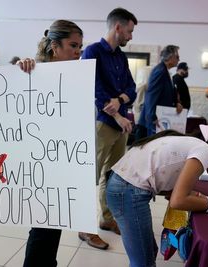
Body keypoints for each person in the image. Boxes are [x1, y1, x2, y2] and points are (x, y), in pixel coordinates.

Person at [106, 122, 208, 267]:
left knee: (148, 254)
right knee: (143, 261)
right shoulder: (206, 151)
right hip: (126, 191)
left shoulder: (197, 146)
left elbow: (170, 186)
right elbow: (177, 201)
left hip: (124, 187)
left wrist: (191, 195)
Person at [18, 19, 83, 267]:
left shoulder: (75, 77)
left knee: (53, 223)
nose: (78, 51)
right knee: (43, 225)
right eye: (73, 45)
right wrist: (21, 68)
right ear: (55, 47)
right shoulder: (34, 71)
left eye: (80, 45)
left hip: (62, 159)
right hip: (39, 161)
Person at [79, 7, 138, 250]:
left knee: (111, 175)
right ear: (118, 27)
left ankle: (106, 218)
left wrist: (120, 100)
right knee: (88, 176)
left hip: (119, 124)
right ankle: (83, 228)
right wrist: (118, 116)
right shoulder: (93, 51)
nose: (131, 36)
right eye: (130, 31)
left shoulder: (121, 57)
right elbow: (96, 91)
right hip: (103, 124)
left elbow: (132, 88)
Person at [137, 45, 183, 138]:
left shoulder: (166, 71)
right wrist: (153, 117)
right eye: (177, 57)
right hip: (155, 120)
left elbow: (168, 93)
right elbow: (151, 95)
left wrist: (177, 103)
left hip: (162, 118)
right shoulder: (160, 71)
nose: (179, 59)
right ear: (170, 58)